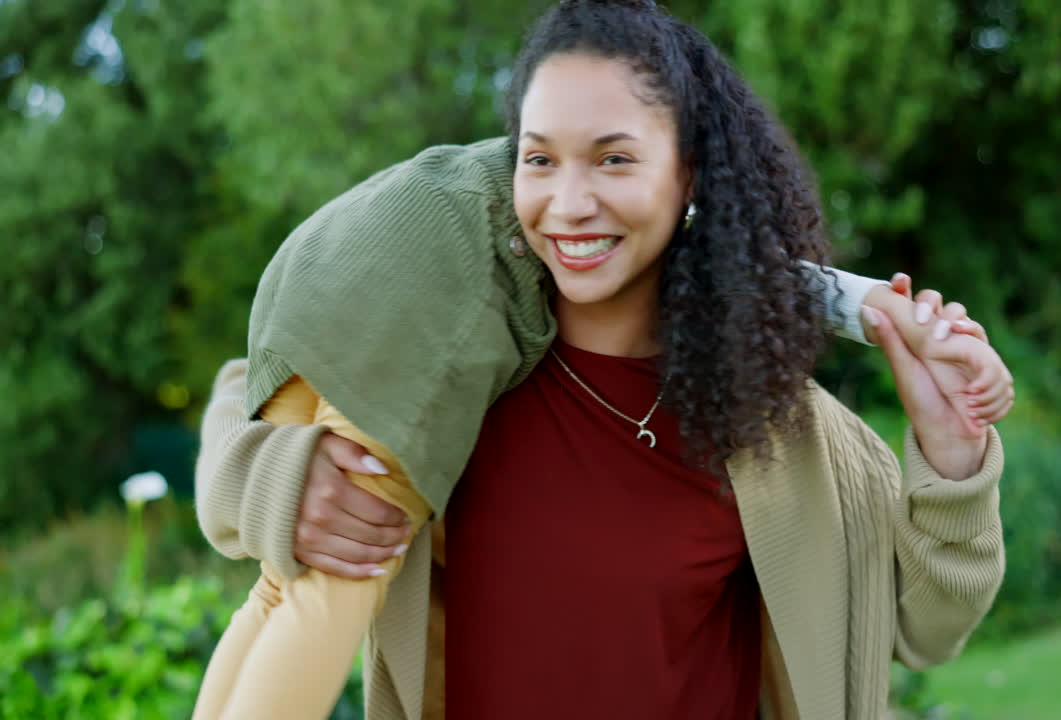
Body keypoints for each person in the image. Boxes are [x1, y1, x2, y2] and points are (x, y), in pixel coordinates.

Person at [193, 1, 1013, 718]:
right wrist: (270, 479)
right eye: (540, 159)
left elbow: (924, 627)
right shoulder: (453, 378)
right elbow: (249, 388)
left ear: (689, 174)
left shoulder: (775, 427)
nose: (570, 203)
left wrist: (953, 456)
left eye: (615, 158)